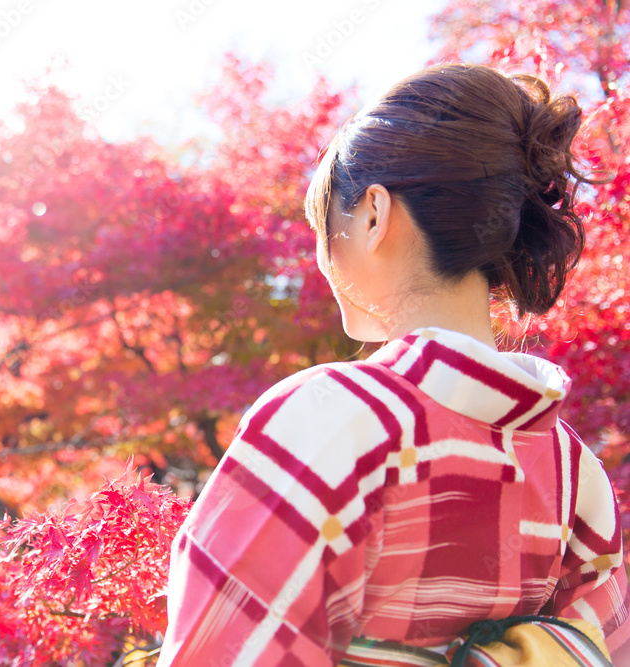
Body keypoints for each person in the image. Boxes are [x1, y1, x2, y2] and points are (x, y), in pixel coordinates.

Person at [155, 63, 630, 666]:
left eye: (324, 227)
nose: (322, 260)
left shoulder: (328, 417)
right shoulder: (573, 470)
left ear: (374, 217)